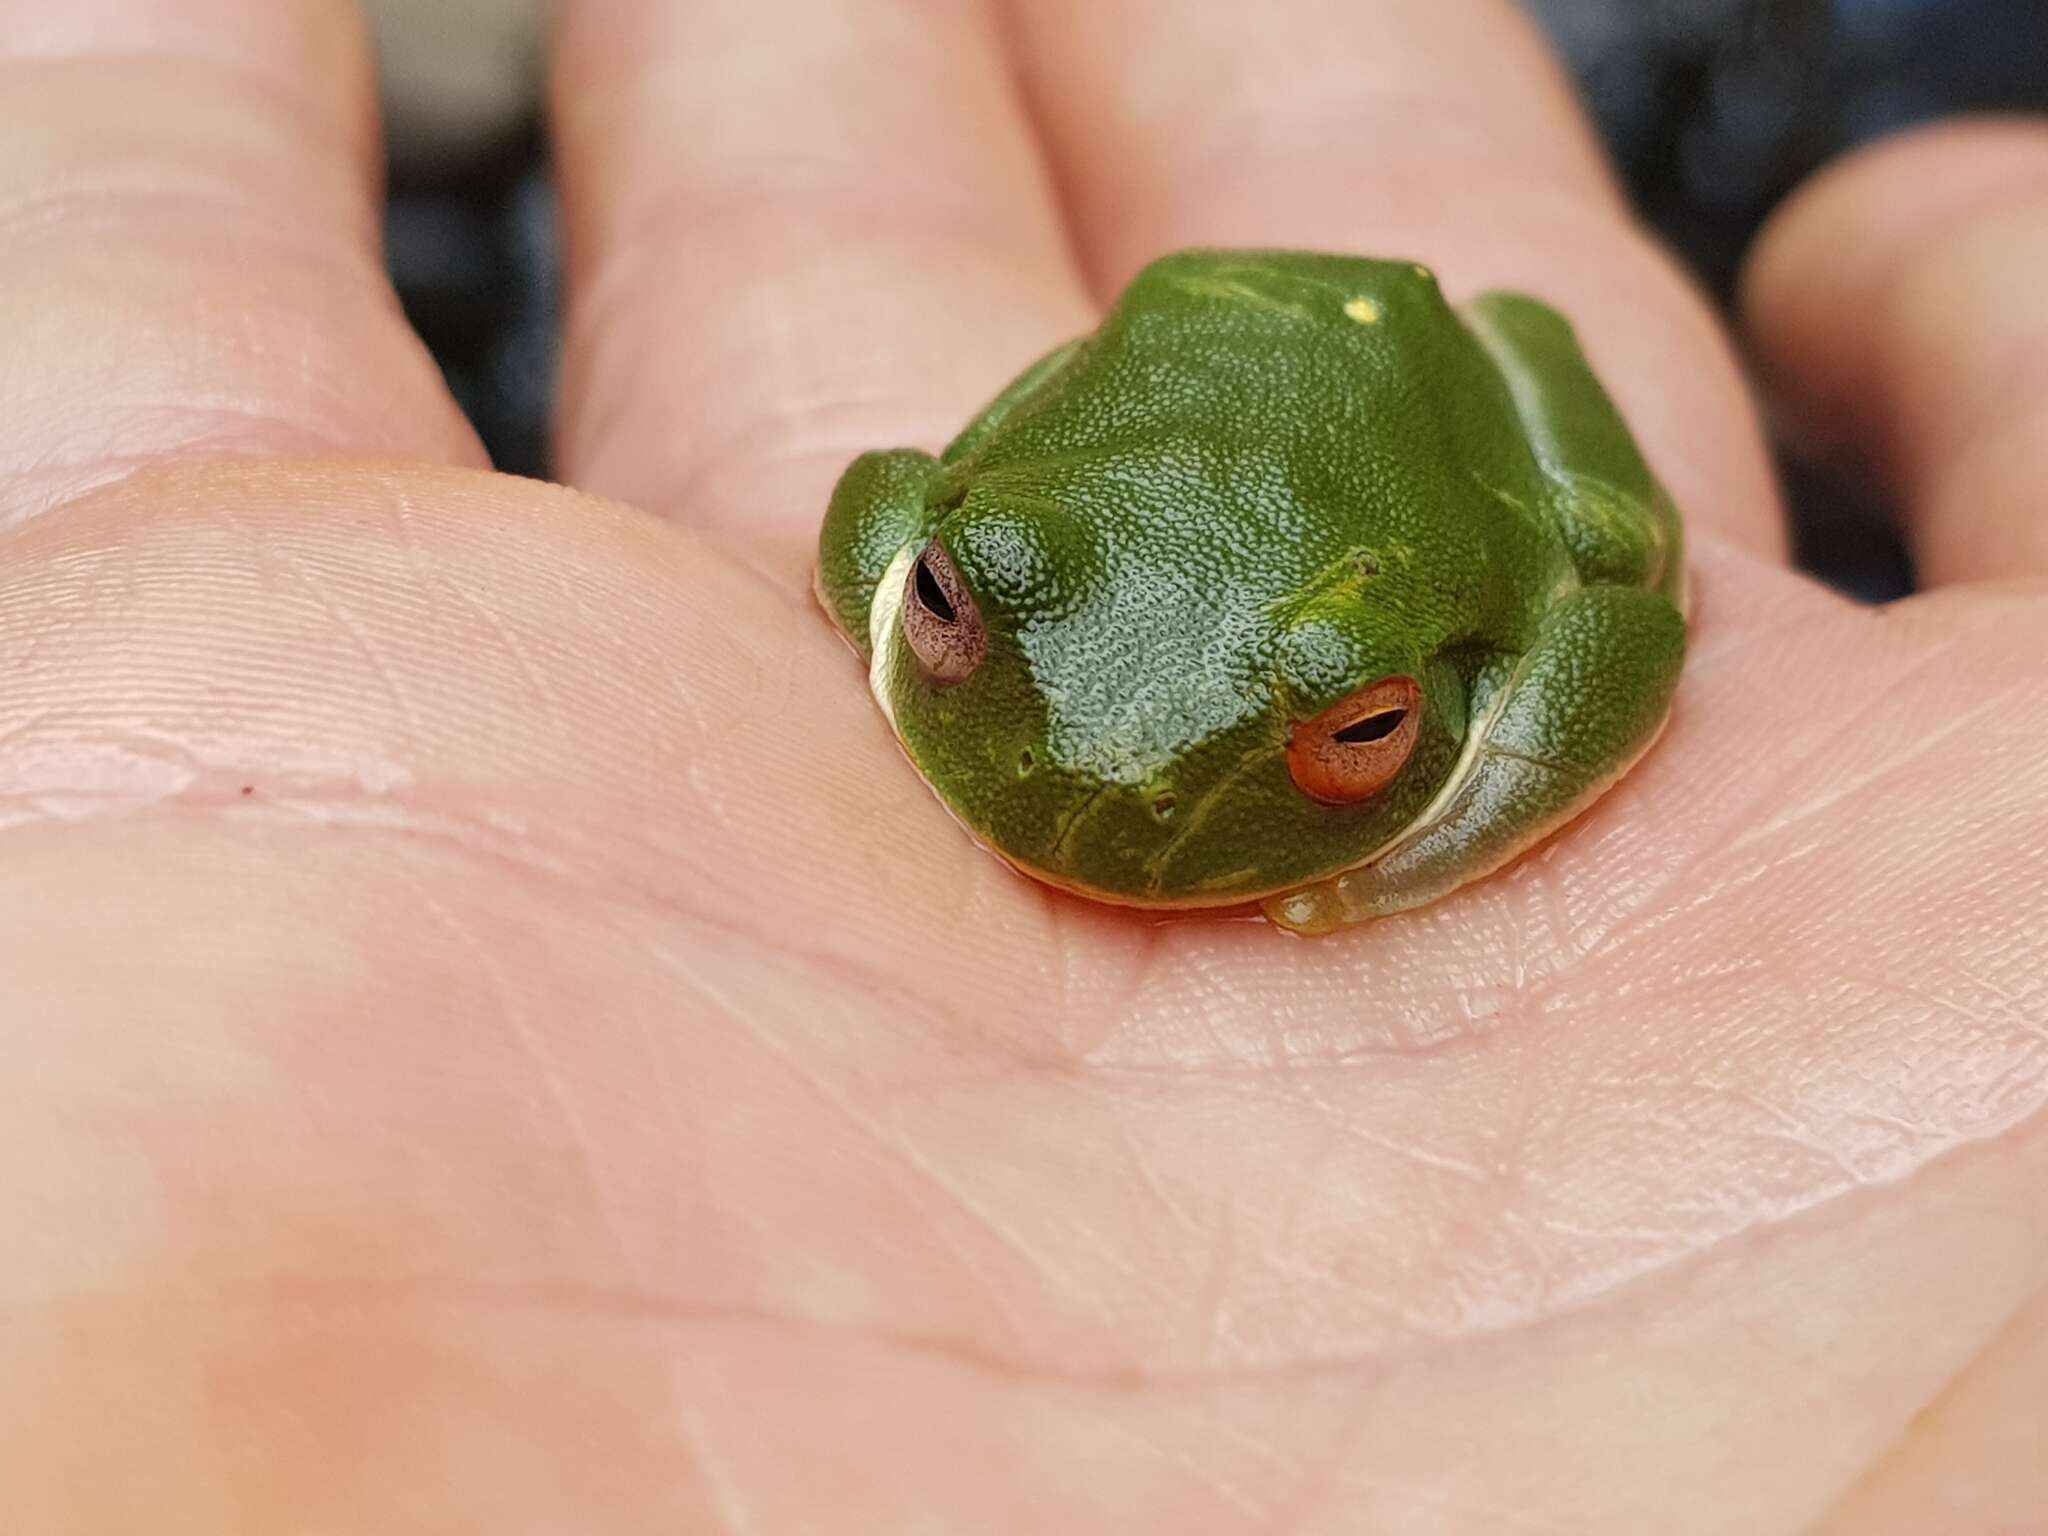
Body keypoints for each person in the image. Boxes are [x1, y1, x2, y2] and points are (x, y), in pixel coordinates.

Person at [2, 1, 2042, 1528]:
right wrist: (940, 603)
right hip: (1174, 374)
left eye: (1358, 732)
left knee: (1605, 526)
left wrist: (1450, 808)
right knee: (1083, 532)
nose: (1104, 790)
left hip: (1415, 409)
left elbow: (1626, 617)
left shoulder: (1443, 602)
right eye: (978, 610)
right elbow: (898, 494)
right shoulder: (963, 532)